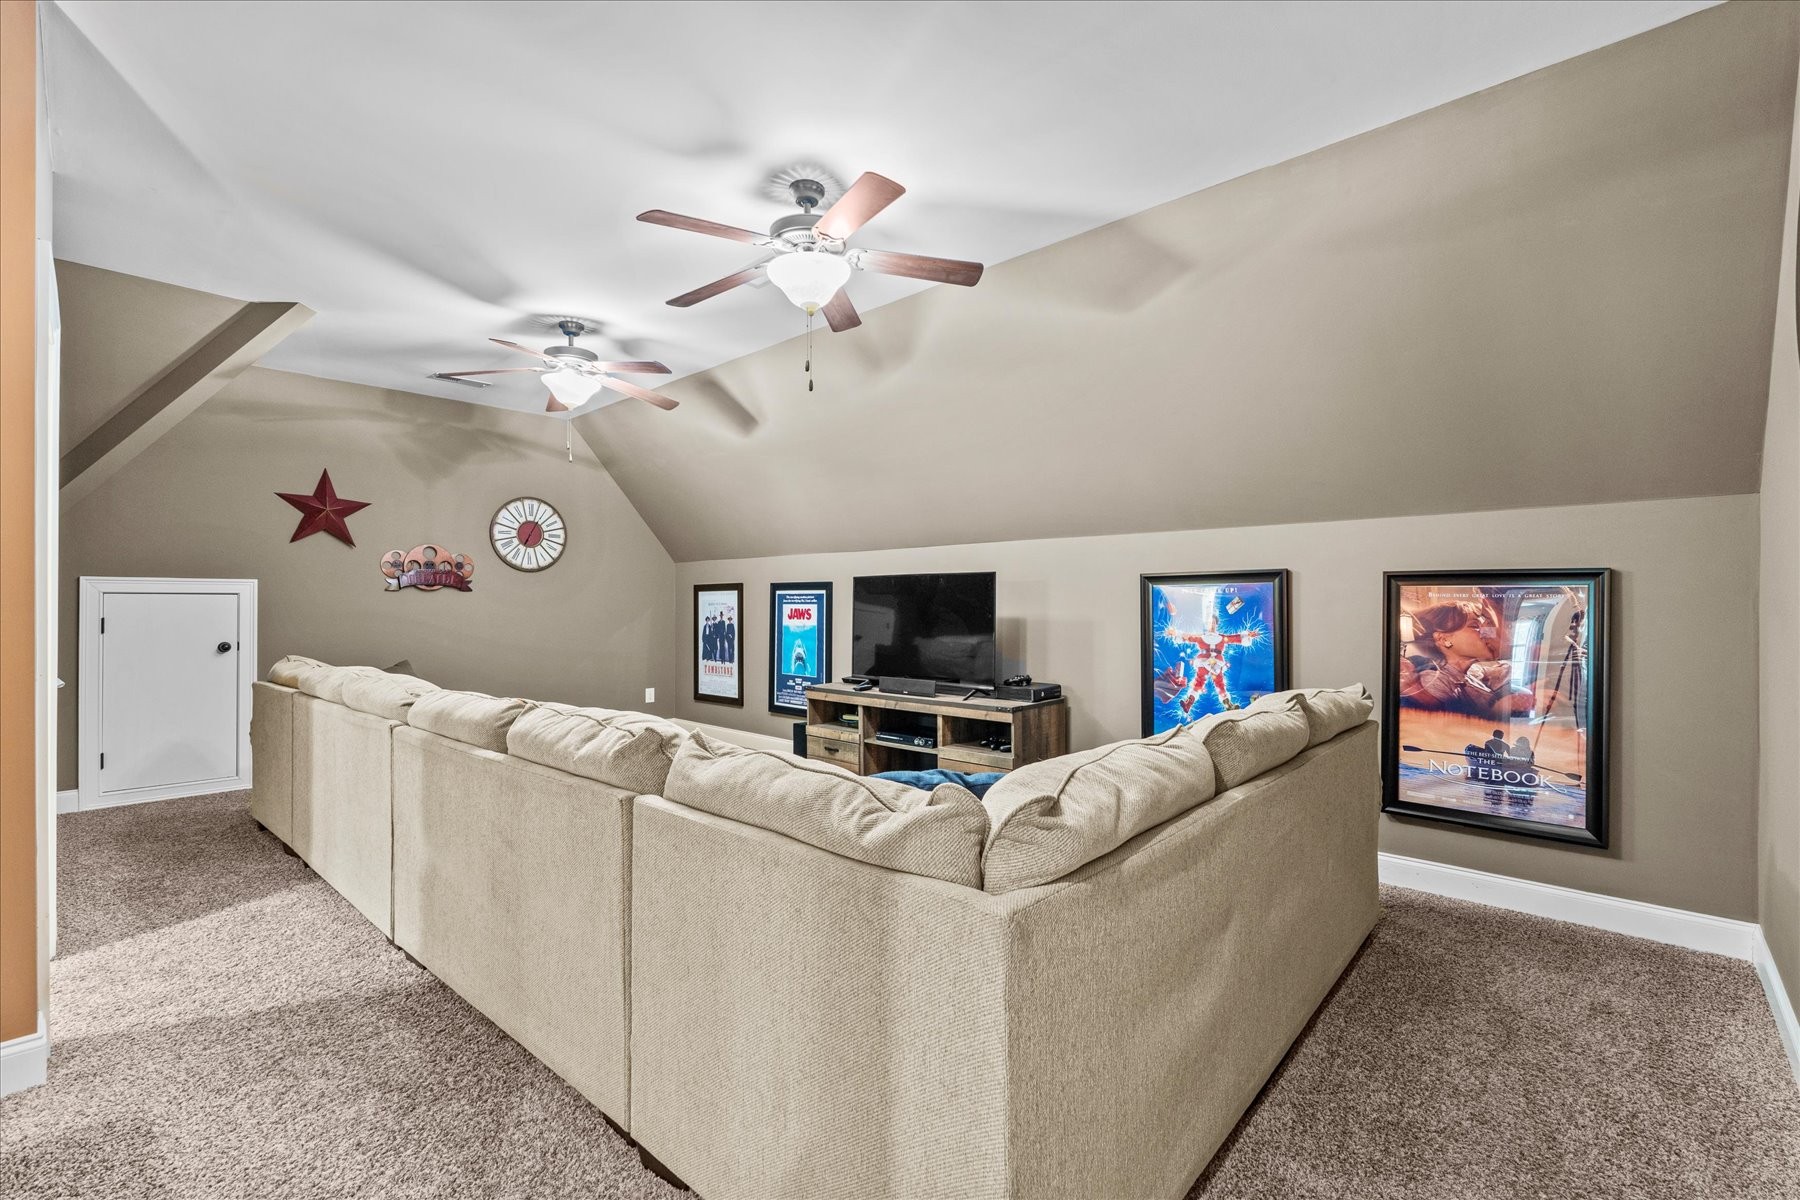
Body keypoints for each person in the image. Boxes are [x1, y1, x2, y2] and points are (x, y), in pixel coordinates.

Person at [1399, 601, 1534, 718]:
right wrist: (1500, 709)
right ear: (1444, 639)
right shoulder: (1436, 680)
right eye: (1474, 626)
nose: (1487, 631)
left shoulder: (1470, 674)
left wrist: (1525, 691)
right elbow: (1442, 732)